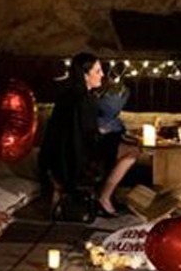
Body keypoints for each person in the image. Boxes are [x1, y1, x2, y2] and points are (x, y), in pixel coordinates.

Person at [38, 52, 139, 217]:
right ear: (85, 75)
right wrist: (109, 133)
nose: (102, 75)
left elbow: (72, 131)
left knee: (117, 142)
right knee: (132, 151)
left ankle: (68, 195)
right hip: (80, 161)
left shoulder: (66, 96)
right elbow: (88, 137)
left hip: (57, 159)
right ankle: (104, 197)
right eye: (97, 71)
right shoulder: (86, 100)